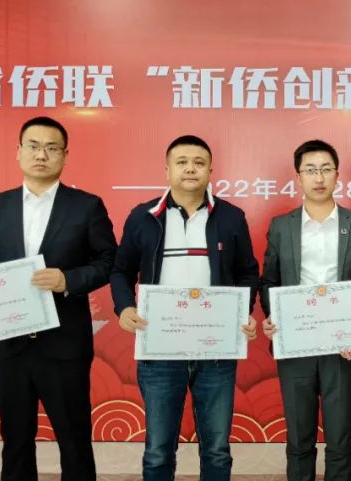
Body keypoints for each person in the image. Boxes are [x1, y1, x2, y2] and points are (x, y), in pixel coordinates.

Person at [0, 116, 117, 481]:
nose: (42, 155)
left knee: (74, 441)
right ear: (19, 152)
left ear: (65, 155)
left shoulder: (87, 206)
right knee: (16, 441)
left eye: (52, 148)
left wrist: (68, 279)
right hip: (10, 344)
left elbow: (109, 262)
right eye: (34, 146)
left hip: (65, 344)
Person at [111, 135, 259, 481]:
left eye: (199, 162)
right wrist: (124, 307)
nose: (190, 168)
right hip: (160, 348)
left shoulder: (231, 217)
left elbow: (248, 272)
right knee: (158, 450)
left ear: (210, 171)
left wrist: (243, 310)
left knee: (217, 449)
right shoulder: (143, 217)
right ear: (167, 170)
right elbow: (120, 271)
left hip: (216, 350)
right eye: (182, 162)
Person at [259, 139, 351, 481]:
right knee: (299, 438)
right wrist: (273, 315)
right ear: (298, 176)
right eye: (310, 170)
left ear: (338, 175)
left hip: (342, 346)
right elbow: (269, 281)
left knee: (340, 438)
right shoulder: (281, 226)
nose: (319, 177)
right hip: (296, 343)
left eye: (326, 169)